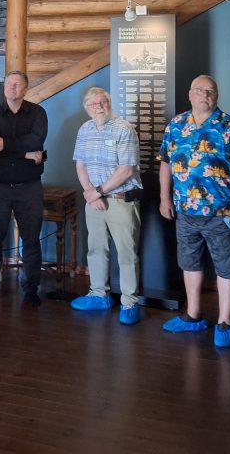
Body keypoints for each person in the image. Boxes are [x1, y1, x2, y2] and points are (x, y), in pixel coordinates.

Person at [159, 74, 230, 348]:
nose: (205, 95)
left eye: (211, 91)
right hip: (185, 212)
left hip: (222, 214)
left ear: (217, 96)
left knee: (226, 267)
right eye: (200, 90)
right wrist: (165, 198)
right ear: (190, 94)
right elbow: (166, 162)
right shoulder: (176, 125)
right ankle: (193, 315)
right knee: (189, 262)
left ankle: (225, 322)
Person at [71, 86, 144, 324]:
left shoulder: (124, 128)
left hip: (120, 200)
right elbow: (80, 165)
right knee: (95, 249)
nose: (99, 107)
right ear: (87, 108)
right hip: (94, 200)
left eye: (103, 103)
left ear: (109, 104)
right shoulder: (85, 129)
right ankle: (99, 294)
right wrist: (91, 194)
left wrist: (98, 192)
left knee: (127, 253)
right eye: (94, 104)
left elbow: (127, 170)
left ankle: (129, 302)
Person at [0, 71, 48, 306]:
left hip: (29, 187)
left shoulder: (38, 113)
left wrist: (4, 144)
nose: (12, 87)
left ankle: (31, 288)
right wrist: (25, 154)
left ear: (25, 89)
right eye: (8, 84)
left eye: (17, 84)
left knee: (31, 239)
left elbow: (36, 141)